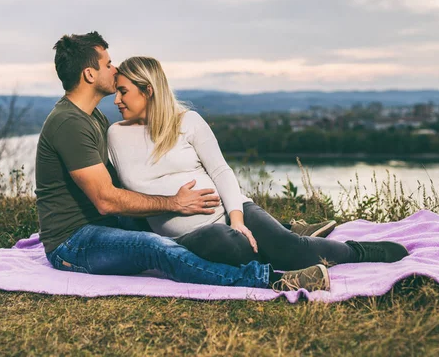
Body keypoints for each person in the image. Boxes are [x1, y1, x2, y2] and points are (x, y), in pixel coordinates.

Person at [36, 31, 333, 293]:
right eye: (108, 63)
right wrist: (174, 204)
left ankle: (285, 232)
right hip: (74, 242)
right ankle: (268, 281)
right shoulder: (69, 124)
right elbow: (105, 200)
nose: (115, 69)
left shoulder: (92, 117)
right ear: (89, 74)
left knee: (151, 223)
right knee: (154, 247)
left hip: (106, 224)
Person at [107, 56, 409, 274]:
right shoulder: (116, 136)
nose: (117, 99)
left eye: (123, 91)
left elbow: (221, 171)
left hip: (232, 210)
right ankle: (274, 252)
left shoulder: (187, 122)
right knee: (228, 244)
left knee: (293, 252)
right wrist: (172, 205)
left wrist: (237, 219)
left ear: (148, 90)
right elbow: (119, 193)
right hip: (187, 235)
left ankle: (356, 251)